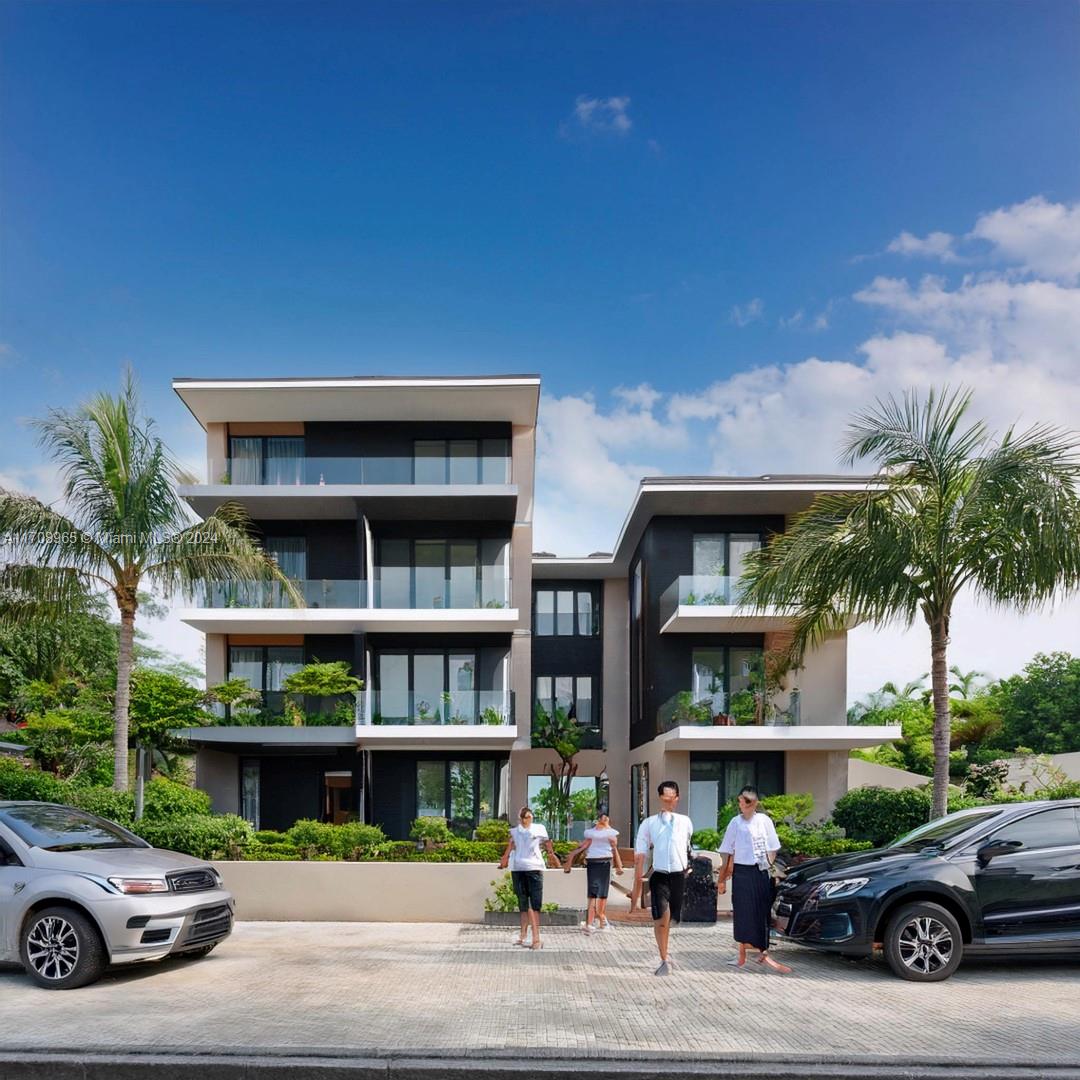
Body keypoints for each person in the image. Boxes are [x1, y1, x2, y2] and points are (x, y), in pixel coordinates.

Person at [717, 784, 792, 973]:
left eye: (747, 802)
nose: (744, 805)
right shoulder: (736, 822)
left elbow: (773, 846)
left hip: (760, 871)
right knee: (742, 911)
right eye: (742, 801)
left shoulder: (764, 820)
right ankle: (741, 952)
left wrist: (768, 863)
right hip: (742, 871)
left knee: (761, 911)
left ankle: (763, 951)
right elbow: (726, 851)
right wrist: (722, 878)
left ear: (755, 803)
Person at [630, 780, 694, 976]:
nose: (670, 802)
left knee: (673, 917)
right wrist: (637, 886)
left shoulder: (685, 821)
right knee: (661, 918)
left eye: (673, 798)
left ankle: (666, 951)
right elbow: (640, 854)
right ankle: (664, 957)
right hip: (659, 875)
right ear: (660, 798)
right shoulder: (649, 823)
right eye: (666, 799)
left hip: (679, 875)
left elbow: (687, 844)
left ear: (677, 798)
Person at [498, 806, 561, 950]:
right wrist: (505, 859)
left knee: (535, 904)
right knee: (523, 903)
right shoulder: (514, 832)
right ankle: (523, 935)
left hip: (535, 868)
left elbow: (547, 842)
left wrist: (552, 855)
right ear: (521, 818)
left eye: (530, 817)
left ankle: (536, 938)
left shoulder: (539, 829)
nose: (528, 819)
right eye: (526, 817)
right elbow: (511, 845)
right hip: (518, 869)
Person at [562, 810, 624, 933]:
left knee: (602, 893)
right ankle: (592, 922)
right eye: (603, 818)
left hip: (605, 862)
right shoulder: (592, 834)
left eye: (606, 819)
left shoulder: (610, 834)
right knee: (593, 892)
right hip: (594, 862)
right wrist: (570, 858)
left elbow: (614, 848)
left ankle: (600, 919)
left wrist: (618, 866)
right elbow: (584, 845)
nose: (604, 821)